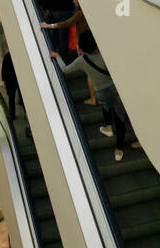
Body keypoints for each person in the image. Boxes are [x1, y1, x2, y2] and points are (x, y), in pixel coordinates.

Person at [51, 29, 140, 163]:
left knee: (106, 105)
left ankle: (108, 128)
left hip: (100, 94)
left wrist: (57, 57)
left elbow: (65, 70)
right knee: (120, 121)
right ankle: (119, 150)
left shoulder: (82, 60)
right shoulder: (105, 56)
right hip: (115, 92)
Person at [1, 50, 21, 121]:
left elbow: (3, 70)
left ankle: (12, 115)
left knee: (11, 98)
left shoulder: (7, 57)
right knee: (21, 96)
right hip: (17, 79)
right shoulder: (18, 56)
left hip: (9, 81)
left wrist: (4, 80)